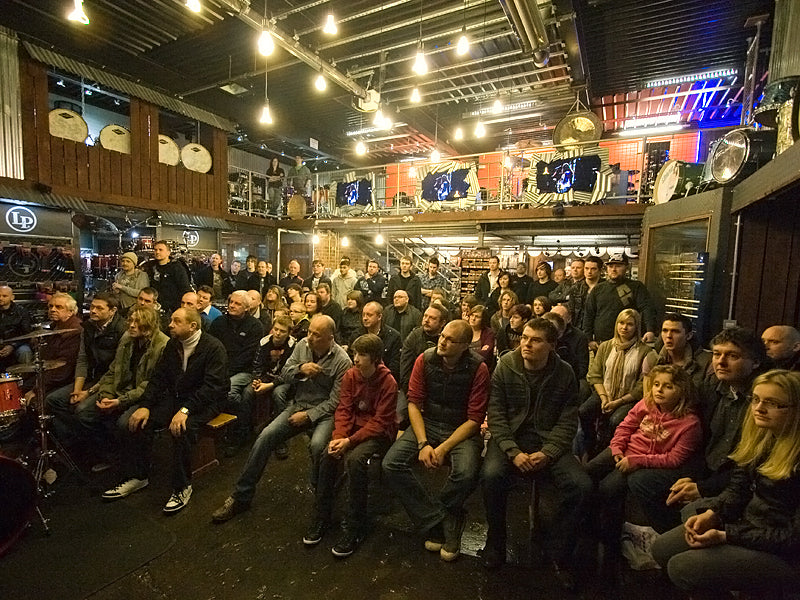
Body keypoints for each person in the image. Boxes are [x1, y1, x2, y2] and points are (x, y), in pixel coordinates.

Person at [652, 369, 800, 598]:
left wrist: (726, 534)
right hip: (750, 526)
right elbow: (737, 491)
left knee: (683, 567)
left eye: (772, 403)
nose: (758, 408)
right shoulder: (760, 437)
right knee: (661, 549)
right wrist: (713, 515)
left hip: (784, 553)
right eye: (756, 400)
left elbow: (792, 537)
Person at [480, 318, 591, 589]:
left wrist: (549, 452)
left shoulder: (564, 373)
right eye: (524, 337)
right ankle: (496, 541)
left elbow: (568, 420)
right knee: (491, 475)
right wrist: (512, 450)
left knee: (583, 486)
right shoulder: (507, 365)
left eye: (535, 340)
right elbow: (495, 412)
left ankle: (559, 550)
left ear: (552, 345)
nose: (526, 344)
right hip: (511, 437)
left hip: (548, 439)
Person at [211, 315, 351, 523]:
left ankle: (322, 498)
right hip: (298, 404)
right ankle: (241, 495)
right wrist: (300, 369)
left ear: (330, 337)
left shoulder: (342, 361)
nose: (310, 337)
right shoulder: (302, 346)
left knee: (318, 445)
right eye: (309, 331)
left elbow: (335, 402)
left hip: (324, 413)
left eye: (316, 334)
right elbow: (284, 375)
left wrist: (308, 416)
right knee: (265, 437)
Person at [628, 327, 766, 533]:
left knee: (644, 482)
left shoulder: (761, 402)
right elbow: (699, 438)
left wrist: (703, 487)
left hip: (738, 476)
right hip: (706, 464)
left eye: (733, 356)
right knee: (640, 480)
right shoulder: (714, 388)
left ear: (755, 362)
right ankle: (668, 533)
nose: (721, 361)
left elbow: (753, 465)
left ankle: (681, 539)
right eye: (717, 354)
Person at [102, 308, 228, 513]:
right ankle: (138, 476)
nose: (170, 324)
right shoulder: (173, 345)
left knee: (181, 429)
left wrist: (186, 410)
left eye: (176, 321)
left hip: (207, 402)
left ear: (192, 326)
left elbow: (213, 388)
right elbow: (158, 379)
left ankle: (182, 486)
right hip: (179, 398)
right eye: (171, 320)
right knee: (138, 422)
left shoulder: (213, 348)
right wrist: (145, 406)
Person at [382, 320, 489, 562]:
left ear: (465, 346)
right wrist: (422, 443)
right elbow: (414, 402)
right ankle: (438, 518)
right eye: (442, 336)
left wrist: (442, 448)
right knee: (391, 464)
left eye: (450, 339)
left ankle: (447, 514)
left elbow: (474, 419)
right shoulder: (426, 359)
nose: (442, 341)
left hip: (460, 429)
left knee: (466, 472)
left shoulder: (478, 368)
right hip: (427, 423)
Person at [585, 365, 702, 581]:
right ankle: (587, 525)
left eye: (668, 386)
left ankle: (609, 540)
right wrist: (617, 448)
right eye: (656, 384)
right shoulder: (646, 403)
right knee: (586, 474)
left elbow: (675, 458)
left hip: (644, 462)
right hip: (624, 450)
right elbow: (625, 426)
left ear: (682, 390)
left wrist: (637, 461)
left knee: (608, 489)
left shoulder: (689, 424)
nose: (659, 390)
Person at [308, 334, 397, 556]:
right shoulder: (351, 375)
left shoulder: (388, 382)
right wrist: (339, 437)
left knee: (356, 460)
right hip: (352, 431)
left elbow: (380, 422)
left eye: (362, 355)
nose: (356, 359)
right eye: (355, 353)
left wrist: (349, 441)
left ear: (375, 358)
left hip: (378, 434)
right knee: (328, 453)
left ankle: (355, 524)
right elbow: (344, 409)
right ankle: (323, 516)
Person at [71, 306, 170, 465]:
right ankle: (110, 454)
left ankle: (134, 463)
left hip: (144, 395)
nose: (131, 325)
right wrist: (105, 394)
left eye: (138, 322)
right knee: (83, 412)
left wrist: (120, 401)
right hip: (121, 390)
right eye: (130, 321)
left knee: (124, 422)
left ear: (149, 324)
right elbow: (114, 371)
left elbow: (151, 385)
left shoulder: (163, 345)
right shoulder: (127, 339)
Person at [48, 292, 127, 443]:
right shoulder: (88, 326)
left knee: (82, 411)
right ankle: (76, 443)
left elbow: (116, 369)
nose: (93, 311)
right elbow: (82, 359)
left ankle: (102, 448)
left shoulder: (122, 330)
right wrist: (78, 389)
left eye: (99, 308)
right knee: (53, 400)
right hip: (92, 377)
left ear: (113, 311)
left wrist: (89, 392)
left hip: (110, 382)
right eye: (92, 306)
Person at [580, 308, 657, 457]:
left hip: (628, 397)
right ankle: (589, 446)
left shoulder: (645, 352)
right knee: (584, 412)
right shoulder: (605, 346)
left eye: (630, 324)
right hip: (605, 392)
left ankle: (607, 451)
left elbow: (642, 385)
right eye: (621, 323)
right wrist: (604, 398)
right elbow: (595, 375)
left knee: (615, 420)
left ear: (637, 327)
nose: (624, 327)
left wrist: (618, 402)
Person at [208, 291, 265, 452]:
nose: (232, 305)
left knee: (230, 391)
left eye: (237, 303)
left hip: (245, 371)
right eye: (231, 301)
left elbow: (248, 355)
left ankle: (240, 432)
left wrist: (225, 373)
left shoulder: (255, 326)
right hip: (219, 369)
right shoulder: (219, 323)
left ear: (246, 308)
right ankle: (236, 425)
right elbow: (211, 348)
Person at [583, 253, 657, 349]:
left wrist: (650, 330)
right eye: (610, 266)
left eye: (618, 266)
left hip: (629, 342)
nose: (613, 269)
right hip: (602, 343)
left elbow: (647, 308)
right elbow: (589, 314)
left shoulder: (636, 287)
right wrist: (589, 339)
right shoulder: (598, 289)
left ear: (626, 267)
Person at [348, 301, 401, 382]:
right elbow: (351, 360)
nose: (365, 318)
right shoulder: (356, 335)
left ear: (379, 317)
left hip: (384, 380)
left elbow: (395, 365)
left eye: (369, 315)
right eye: (363, 315)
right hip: (359, 380)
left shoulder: (393, 337)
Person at [656, 312, 712, 388]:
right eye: (665, 331)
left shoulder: (705, 362)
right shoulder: (653, 359)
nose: (668, 336)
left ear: (688, 336)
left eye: (675, 331)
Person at [145, 241, 192, 314]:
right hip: (155, 306)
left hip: (172, 308)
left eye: (160, 250)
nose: (157, 252)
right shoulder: (151, 266)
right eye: (155, 250)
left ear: (168, 252)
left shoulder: (177, 267)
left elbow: (185, 288)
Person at [0, 285, 32, 369]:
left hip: (18, 344)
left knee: (24, 351)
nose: (0, 298)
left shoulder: (22, 312)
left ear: (12, 297)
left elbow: (26, 334)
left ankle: (25, 379)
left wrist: (12, 346)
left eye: (4, 296)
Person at [571, 256, 600, 332]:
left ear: (599, 270)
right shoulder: (576, 288)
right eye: (586, 268)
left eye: (593, 269)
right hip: (578, 327)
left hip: (597, 327)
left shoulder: (605, 288)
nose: (589, 272)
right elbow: (572, 310)